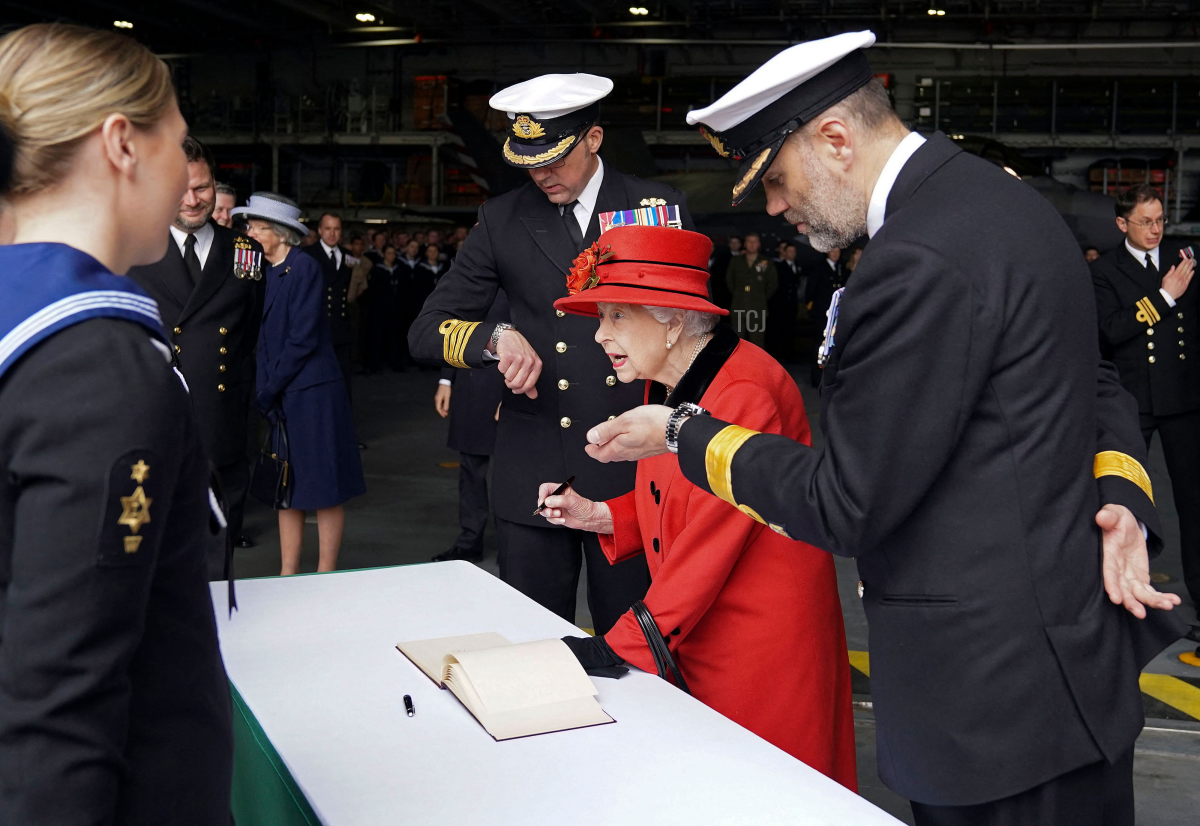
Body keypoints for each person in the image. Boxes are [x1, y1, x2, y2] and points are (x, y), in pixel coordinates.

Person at [585, 31, 1186, 825]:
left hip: (989, 704)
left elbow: (846, 503)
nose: (772, 206)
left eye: (777, 179)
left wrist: (683, 432)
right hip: (1060, 676)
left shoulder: (915, 258)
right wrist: (1123, 498)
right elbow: (1096, 379)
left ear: (835, 138)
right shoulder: (1005, 205)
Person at [0, 22, 232, 822]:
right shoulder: (95, 369)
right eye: (177, 140)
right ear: (121, 145)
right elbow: (61, 708)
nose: (185, 175)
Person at [539, 224, 856, 787]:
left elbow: (712, 542)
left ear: (674, 320)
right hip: (704, 629)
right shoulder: (672, 378)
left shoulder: (741, 392)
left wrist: (618, 647)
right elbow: (684, 497)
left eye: (616, 315)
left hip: (759, 647)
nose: (599, 335)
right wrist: (603, 515)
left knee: (766, 794)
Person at [408, 73, 692, 633]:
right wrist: (494, 339)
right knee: (535, 646)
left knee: (635, 649)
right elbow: (426, 329)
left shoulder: (654, 208)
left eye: (555, 157)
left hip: (629, 467)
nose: (541, 173)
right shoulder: (502, 218)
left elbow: (692, 336)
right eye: (529, 160)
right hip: (535, 460)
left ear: (593, 138)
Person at [128, 135, 265, 563]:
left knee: (214, 558)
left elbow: (250, 339)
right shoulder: (132, 249)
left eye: (202, 188)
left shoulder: (246, 253)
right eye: (180, 188)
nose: (192, 199)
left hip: (221, 423)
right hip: (150, 425)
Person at [237, 193, 366, 575]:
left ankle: (326, 573)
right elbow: (260, 340)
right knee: (286, 485)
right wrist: (267, 389)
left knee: (324, 485)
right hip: (282, 390)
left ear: (278, 233)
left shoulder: (304, 267)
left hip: (312, 393)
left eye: (257, 227)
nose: (250, 233)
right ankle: (287, 573)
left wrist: (268, 388)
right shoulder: (264, 271)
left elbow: (303, 339)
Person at [1092, 183, 1200, 608]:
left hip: (1184, 399)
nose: (1155, 230)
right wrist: (1163, 298)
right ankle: (1115, 581)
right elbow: (1112, 331)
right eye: (1145, 222)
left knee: (1193, 501)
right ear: (1123, 223)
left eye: (1160, 220)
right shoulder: (1104, 270)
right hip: (1132, 400)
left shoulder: (1184, 259)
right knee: (1124, 495)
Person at [433, 292, 512, 562]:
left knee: (509, 468)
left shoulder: (519, 270)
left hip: (506, 381)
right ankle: (469, 541)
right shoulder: (470, 274)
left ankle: (512, 545)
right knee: (470, 467)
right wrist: (446, 380)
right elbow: (452, 326)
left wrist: (513, 392)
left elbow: (534, 332)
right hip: (468, 380)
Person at [303, 212, 355, 403]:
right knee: (320, 378)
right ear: (319, 230)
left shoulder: (349, 256)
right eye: (328, 229)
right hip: (318, 327)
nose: (332, 234)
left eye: (336, 229)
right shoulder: (308, 254)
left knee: (343, 379)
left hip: (341, 326)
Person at [726, 232, 777, 347]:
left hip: (758, 307)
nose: (752, 244)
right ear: (744, 244)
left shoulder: (766, 262)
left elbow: (772, 285)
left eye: (755, 242)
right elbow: (730, 281)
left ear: (759, 244)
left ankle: (757, 365)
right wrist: (739, 294)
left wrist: (759, 296)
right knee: (737, 341)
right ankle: (737, 365)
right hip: (739, 305)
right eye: (749, 241)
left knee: (757, 341)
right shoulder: (736, 260)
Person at [766, 240, 802, 362]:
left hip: (792, 304)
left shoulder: (797, 266)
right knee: (778, 329)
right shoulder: (778, 266)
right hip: (779, 304)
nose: (792, 253)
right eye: (789, 251)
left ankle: (789, 354)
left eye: (794, 251)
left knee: (790, 330)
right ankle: (778, 354)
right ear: (784, 253)